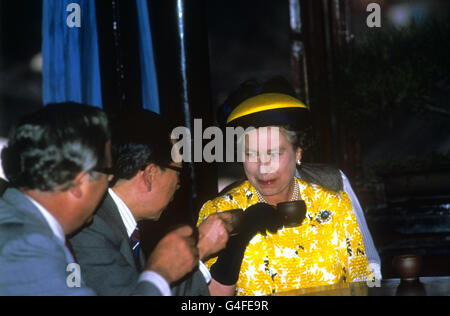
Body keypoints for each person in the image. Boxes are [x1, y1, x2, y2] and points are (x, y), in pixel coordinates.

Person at [0, 103, 199, 296]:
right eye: (108, 172)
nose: (111, 181)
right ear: (79, 183)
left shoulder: (28, 230)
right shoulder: (27, 246)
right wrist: (160, 273)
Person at [197, 93, 372, 296]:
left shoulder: (335, 206)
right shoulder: (219, 212)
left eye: (274, 153)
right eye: (251, 154)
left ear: (298, 152)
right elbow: (202, 299)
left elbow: (362, 285)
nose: (263, 166)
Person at [70, 109, 232, 296]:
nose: (179, 184)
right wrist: (199, 249)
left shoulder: (124, 230)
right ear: (150, 174)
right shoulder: (91, 232)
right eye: (178, 171)